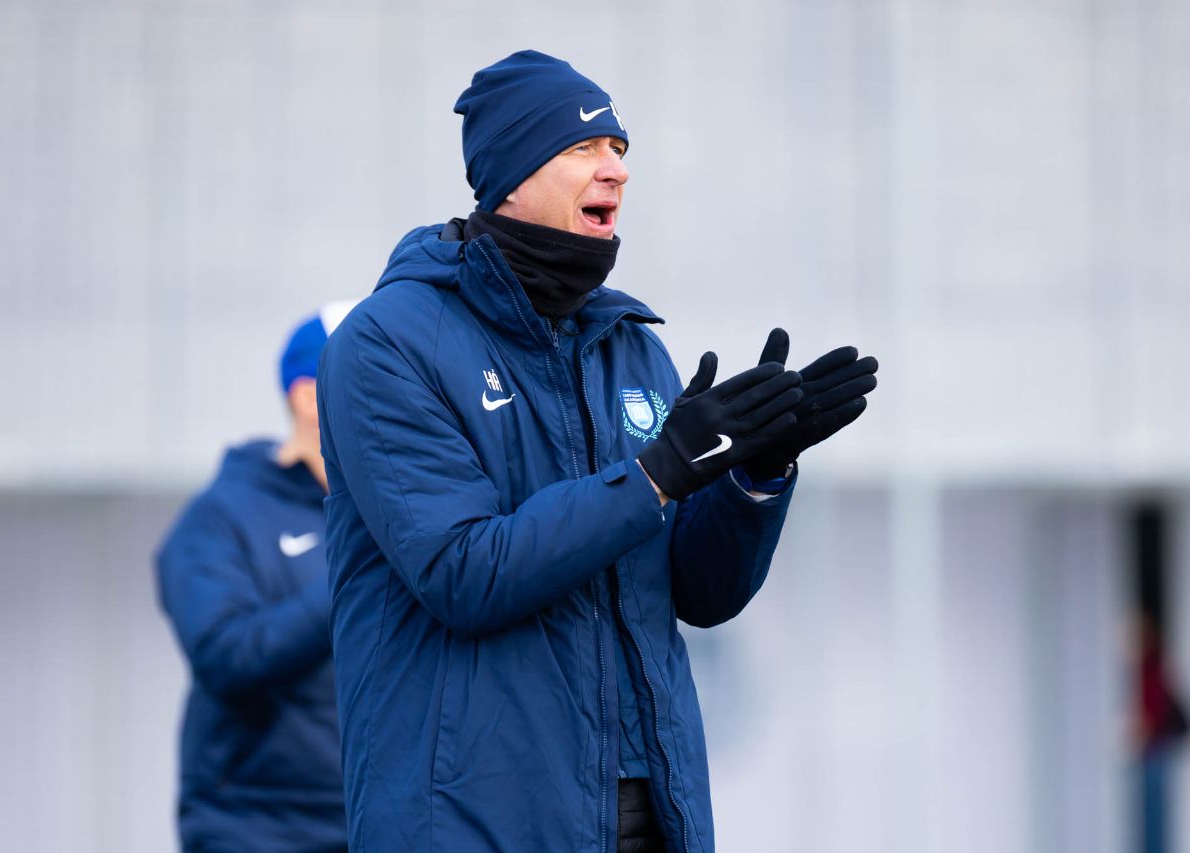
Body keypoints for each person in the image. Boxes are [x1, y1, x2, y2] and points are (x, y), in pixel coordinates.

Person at [317, 50, 879, 853]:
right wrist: (658, 472)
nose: (615, 168)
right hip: (476, 824)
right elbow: (463, 572)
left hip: (653, 815)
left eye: (618, 148)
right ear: (510, 175)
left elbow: (697, 591)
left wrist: (754, 474)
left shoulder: (627, 343)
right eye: (583, 147)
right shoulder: (388, 344)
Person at [156, 302, 356, 853]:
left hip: (383, 825)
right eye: (375, 374)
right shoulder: (221, 517)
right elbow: (226, 657)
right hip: (258, 830)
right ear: (308, 397)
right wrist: (355, 579)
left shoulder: (401, 512)